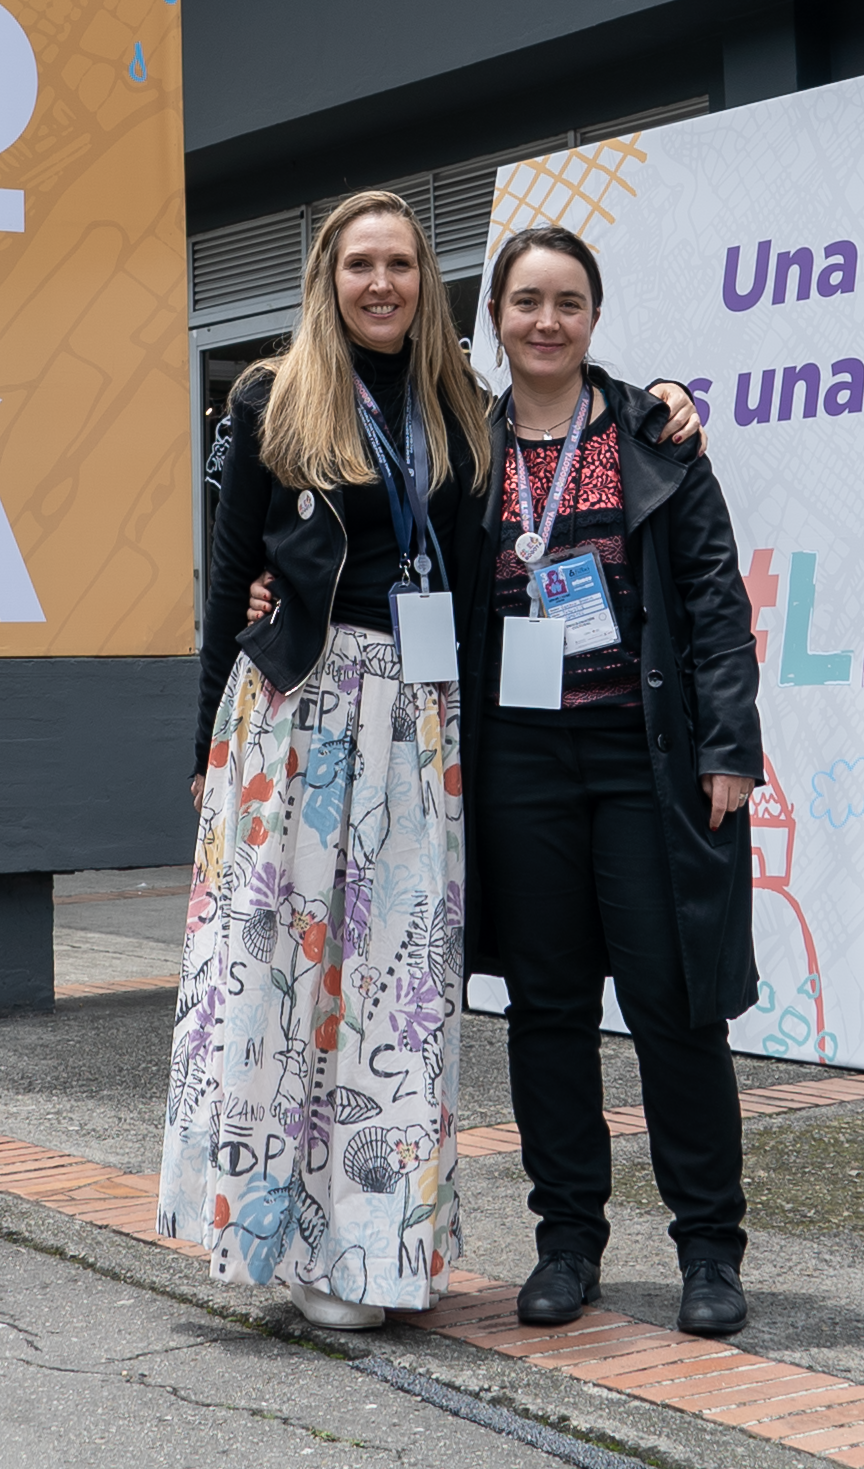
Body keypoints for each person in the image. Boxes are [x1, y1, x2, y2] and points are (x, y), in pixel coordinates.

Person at [158, 191, 700, 1331]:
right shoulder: (269, 395)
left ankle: (372, 1253)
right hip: (296, 723)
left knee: (394, 998)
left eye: (402, 263)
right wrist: (204, 744)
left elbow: (561, 442)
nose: (382, 283)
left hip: (418, 724)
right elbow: (225, 586)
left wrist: (662, 400)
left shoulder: (459, 405)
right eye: (360, 263)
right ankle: (277, 1240)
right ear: (328, 275)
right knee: (283, 989)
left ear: (429, 282)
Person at [455, 224, 763, 1339]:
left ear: (593, 315)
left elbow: (716, 600)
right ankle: (567, 1241)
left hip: (645, 759)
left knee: (675, 1005)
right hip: (518, 762)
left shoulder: (653, 435)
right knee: (545, 1008)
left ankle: (710, 1250)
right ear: (495, 317)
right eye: (526, 300)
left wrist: (730, 746)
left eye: (569, 301)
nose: (546, 320)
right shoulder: (463, 448)